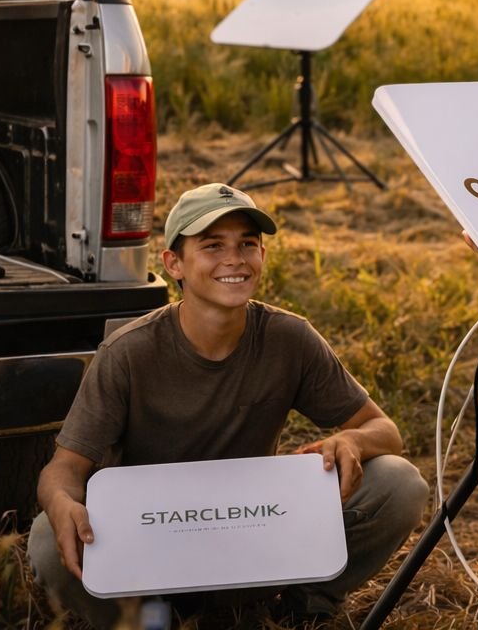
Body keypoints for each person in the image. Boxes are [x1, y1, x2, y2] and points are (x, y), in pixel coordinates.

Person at [28, 182, 430, 629]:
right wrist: (63, 501)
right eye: (212, 245)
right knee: (48, 538)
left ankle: (303, 604)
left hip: (252, 531)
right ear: (173, 263)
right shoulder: (128, 353)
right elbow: (63, 469)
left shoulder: (288, 337)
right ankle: (147, 621)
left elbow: (385, 431)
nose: (234, 259)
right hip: (152, 543)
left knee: (399, 483)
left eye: (248, 245)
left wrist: (351, 439)